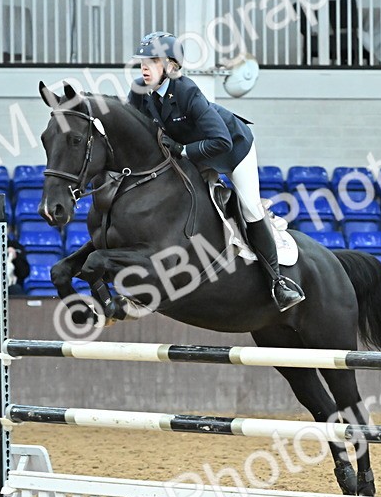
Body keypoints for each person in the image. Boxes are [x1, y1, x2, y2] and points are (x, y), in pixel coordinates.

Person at [126, 31, 304, 312]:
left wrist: (184, 151)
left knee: (249, 208)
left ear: (171, 66)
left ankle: (278, 282)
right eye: (142, 62)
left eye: (153, 61)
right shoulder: (140, 91)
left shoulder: (187, 91)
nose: (144, 67)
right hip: (194, 150)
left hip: (233, 148)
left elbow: (221, 140)